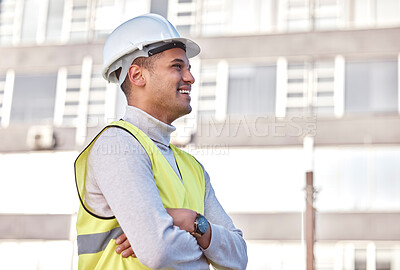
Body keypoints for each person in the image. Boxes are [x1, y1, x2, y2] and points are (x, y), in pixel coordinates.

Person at [74, 13, 248, 270]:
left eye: (188, 68)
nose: (190, 77)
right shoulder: (118, 145)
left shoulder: (193, 169)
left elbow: (239, 258)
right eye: (177, 66)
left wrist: (192, 221)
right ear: (137, 75)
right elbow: (159, 252)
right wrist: (204, 246)